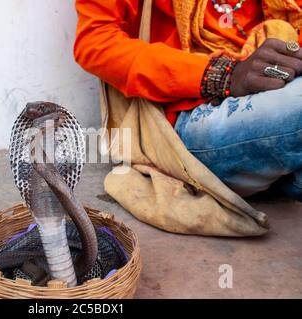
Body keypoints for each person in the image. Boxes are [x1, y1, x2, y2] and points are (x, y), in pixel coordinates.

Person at [74, 0, 302, 201]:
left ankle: (277, 172)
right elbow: (96, 42)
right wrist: (222, 75)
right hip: (194, 115)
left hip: (280, 94)